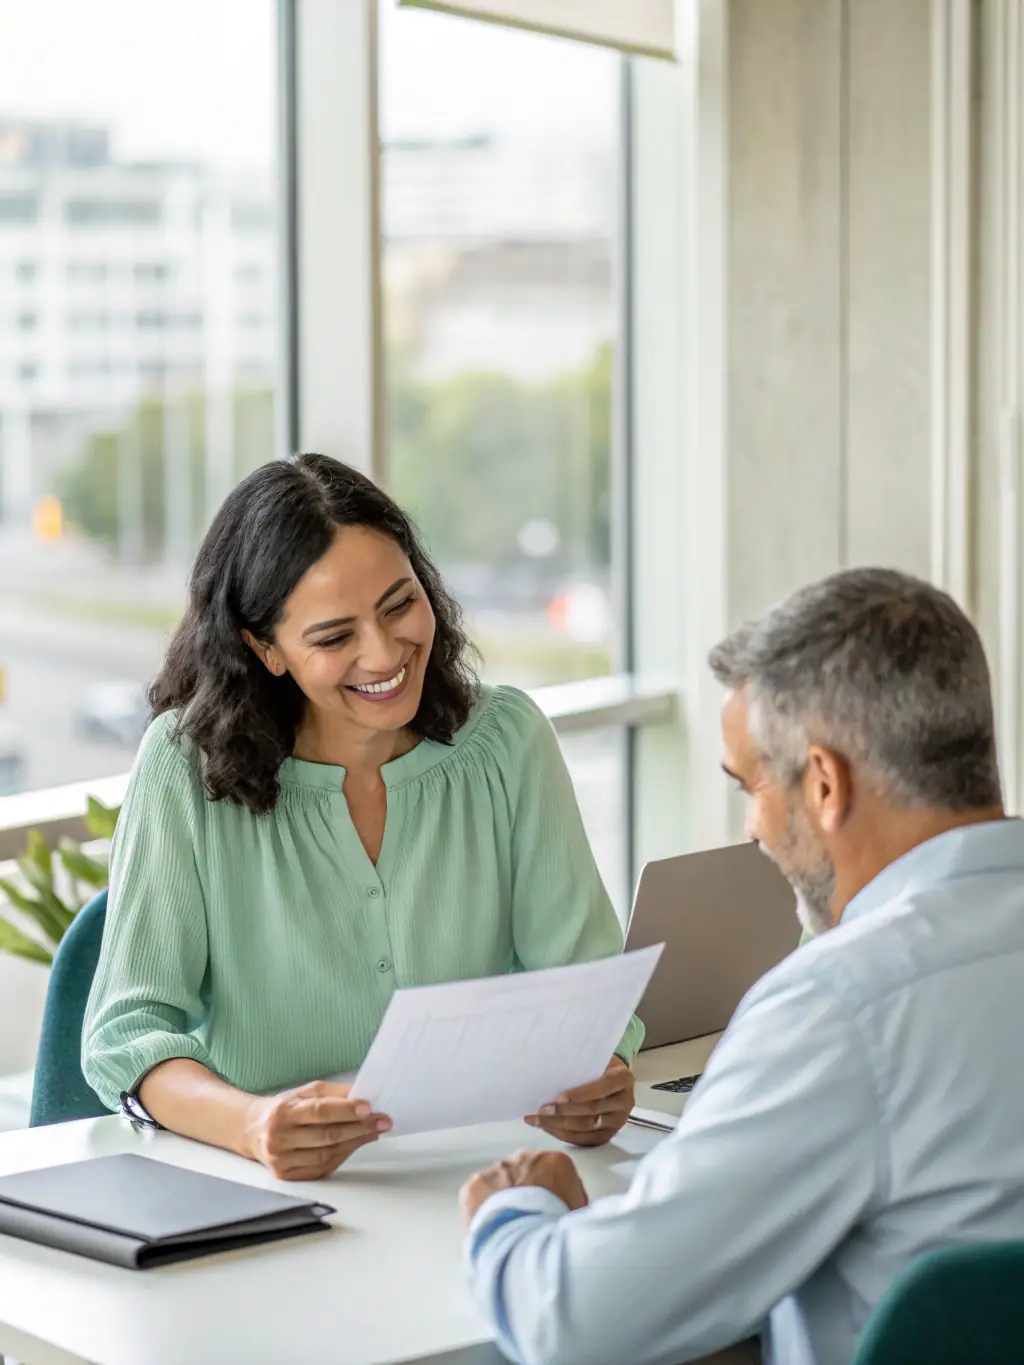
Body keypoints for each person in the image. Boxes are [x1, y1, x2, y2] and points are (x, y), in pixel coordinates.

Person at [460, 567, 1024, 1365]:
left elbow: (576, 1324)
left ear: (825, 783)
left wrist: (512, 1208)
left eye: (748, 785)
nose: (753, 828)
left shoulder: (840, 1010)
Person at [82, 454, 642, 1180]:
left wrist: (602, 1073)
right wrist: (252, 1125)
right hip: (266, 1188)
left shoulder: (507, 742)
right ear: (265, 648)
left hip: (484, 1175)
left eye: (399, 604)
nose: (384, 652)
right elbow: (130, 1032)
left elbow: (586, 987)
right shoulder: (183, 767)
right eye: (334, 636)